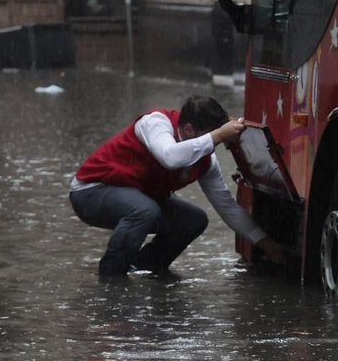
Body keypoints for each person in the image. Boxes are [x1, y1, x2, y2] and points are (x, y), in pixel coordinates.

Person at [71, 95, 286, 277]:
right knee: (146, 211)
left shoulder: (206, 160)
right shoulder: (156, 123)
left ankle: (144, 268)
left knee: (194, 220)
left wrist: (265, 242)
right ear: (189, 129)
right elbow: (170, 157)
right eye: (211, 136)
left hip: (136, 198)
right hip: (90, 191)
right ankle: (111, 276)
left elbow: (227, 206)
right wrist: (219, 134)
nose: (214, 144)